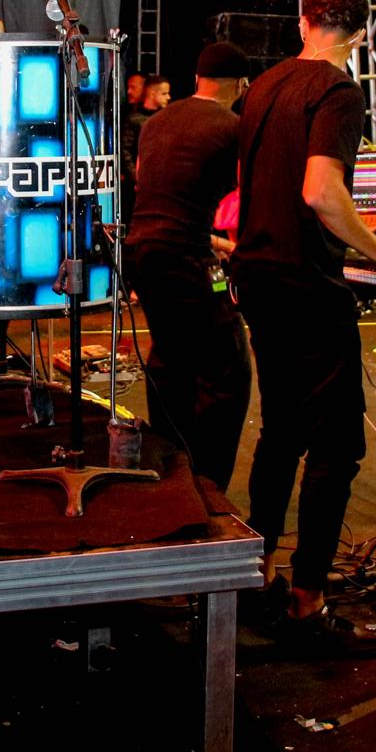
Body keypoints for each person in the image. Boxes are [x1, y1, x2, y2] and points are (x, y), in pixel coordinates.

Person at [232, 0, 376, 626]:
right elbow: (321, 192)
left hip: (258, 273)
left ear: (304, 22)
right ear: (359, 34)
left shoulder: (264, 85)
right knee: (336, 445)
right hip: (304, 283)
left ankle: (258, 569)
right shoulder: (338, 92)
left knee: (281, 431)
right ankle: (308, 598)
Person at [124, 41, 252, 491]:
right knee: (227, 366)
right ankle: (209, 486)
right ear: (241, 85)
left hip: (142, 253)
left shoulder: (157, 122)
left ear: (197, 79)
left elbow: (158, 192)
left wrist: (214, 242)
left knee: (170, 357)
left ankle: (171, 473)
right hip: (186, 259)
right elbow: (252, 191)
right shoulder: (234, 127)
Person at [121, 74, 170, 225]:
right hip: (140, 183)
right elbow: (125, 151)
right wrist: (136, 177)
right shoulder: (134, 118)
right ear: (152, 93)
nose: (168, 97)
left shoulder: (166, 117)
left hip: (161, 182)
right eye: (164, 93)